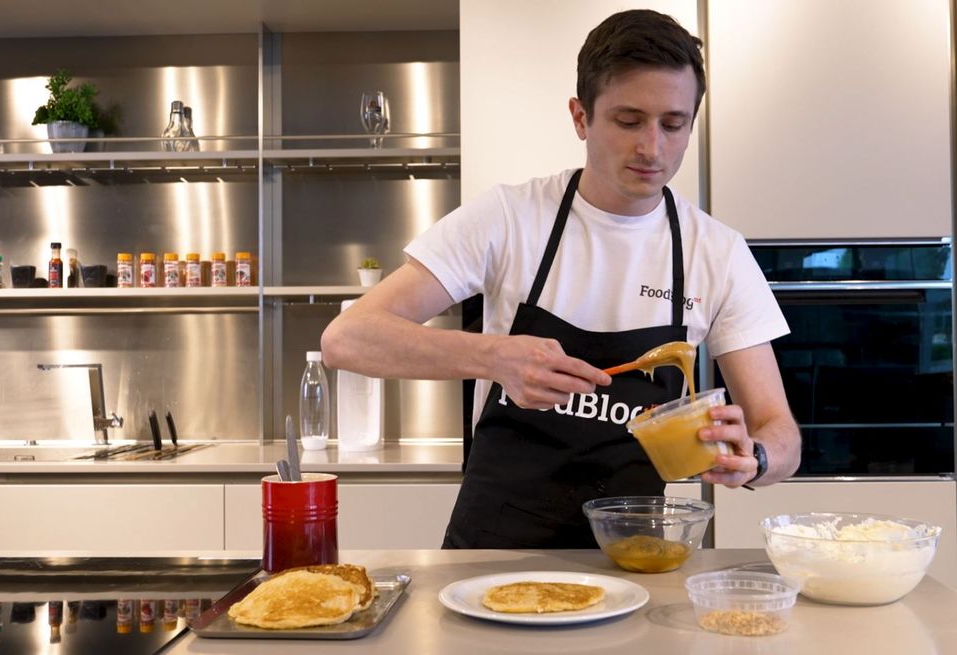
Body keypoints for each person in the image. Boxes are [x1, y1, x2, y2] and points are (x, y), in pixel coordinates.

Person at [322, 9, 801, 548]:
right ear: (580, 117)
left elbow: (780, 433)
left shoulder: (716, 252)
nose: (652, 148)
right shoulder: (509, 217)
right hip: (494, 551)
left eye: (673, 123)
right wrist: (494, 357)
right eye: (628, 120)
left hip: (631, 554)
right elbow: (347, 339)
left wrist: (755, 458)